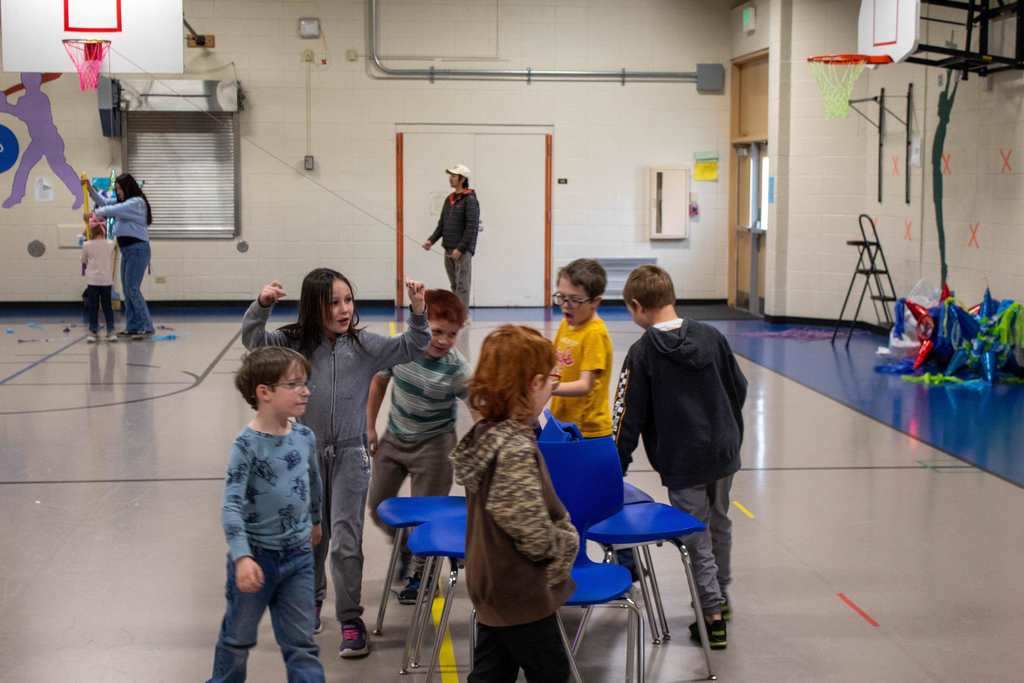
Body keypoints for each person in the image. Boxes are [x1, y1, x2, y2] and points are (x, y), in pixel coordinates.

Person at [242, 269, 430, 659]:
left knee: (346, 540)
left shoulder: (363, 345)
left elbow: (413, 345)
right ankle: (311, 601)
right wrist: (262, 306)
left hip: (350, 455)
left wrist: (417, 311)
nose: (344, 309)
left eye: (348, 300)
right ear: (314, 306)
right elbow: (253, 341)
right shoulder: (291, 344)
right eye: (334, 302)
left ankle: (350, 617)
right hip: (305, 455)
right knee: (312, 537)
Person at [612, 265, 747, 650]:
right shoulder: (712, 336)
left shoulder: (642, 354)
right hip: (723, 451)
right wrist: (726, 429)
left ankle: (712, 617)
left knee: (696, 537)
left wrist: (614, 469)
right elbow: (738, 387)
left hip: (683, 459)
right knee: (719, 522)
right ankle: (720, 595)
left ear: (637, 306)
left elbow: (626, 418)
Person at [451, 325, 578, 682]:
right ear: (534, 384)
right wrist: (565, 542)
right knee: (552, 672)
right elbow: (529, 528)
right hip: (520, 588)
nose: (554, 385)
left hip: (494, 585)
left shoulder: (487, 433)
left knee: (492, 671)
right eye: (551, 377)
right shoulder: (516, 448)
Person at [208, 346, 325, 682]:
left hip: (299, 557)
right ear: (265, 393)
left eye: (306, 383)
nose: (305, 390)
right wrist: (243, 557)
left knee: (302, 643)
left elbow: (313, 483)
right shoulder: (246, 446)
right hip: (257, 559)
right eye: (295, 384)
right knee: (237, 639)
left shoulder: (304, 436)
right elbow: (231, 504)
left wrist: (315, 520)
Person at [366, 289, 471, 604]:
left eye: (451, 334)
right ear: (423, 325)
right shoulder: (401, 349)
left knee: (427, 515)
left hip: (435, 446)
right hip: (395, 439)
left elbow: (478, 406)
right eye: (437, 331)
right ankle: (407, 549)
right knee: (378, 506)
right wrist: (370, 426)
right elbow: (378, 381)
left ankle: (421, 578)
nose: (443, 341)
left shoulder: (456, 368)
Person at [549, 258, 613, 439]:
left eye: (575, 300)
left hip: (588, 430)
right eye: (561, 297)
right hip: (562, 420)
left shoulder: (594, 334)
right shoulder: (565, 325)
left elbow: (585, 385)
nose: (565, 305)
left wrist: (549, 388)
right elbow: (555, 367)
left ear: (595, 302)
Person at [89, 173, 154, 339]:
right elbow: (105, 203)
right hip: (128, 250)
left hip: (138, 249)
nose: (118, 192)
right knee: (127, 289)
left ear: (128, 187)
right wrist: (91, 191)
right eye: (116, 189)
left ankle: (146, 326)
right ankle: (132, 326)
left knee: (132, 288)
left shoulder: (136, 202)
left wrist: (94, 214)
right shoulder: (125, 202)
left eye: (119, 189)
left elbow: (112, 209)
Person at [422, 164, 479, 309]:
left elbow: (472, 227)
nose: (450, 178)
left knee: (462, 286)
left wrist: (460, 249)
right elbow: (442, 224)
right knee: (454, 284)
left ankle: (462, 316)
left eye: (454, 176)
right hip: (449, 249)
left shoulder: (470, 200)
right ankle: (457, 313)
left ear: (462, 179)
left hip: (462, 251)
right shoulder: (450, 199)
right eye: (450, 175)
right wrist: (431, 240)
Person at [80, 221, 117, 344]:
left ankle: (93, 331)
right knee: (107, 307)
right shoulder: (111, 244)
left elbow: (83, 260)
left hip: (93, 281)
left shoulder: (86, 245)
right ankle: (111, 331)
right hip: (106, 281)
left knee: (93, 307)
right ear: (103, 232)